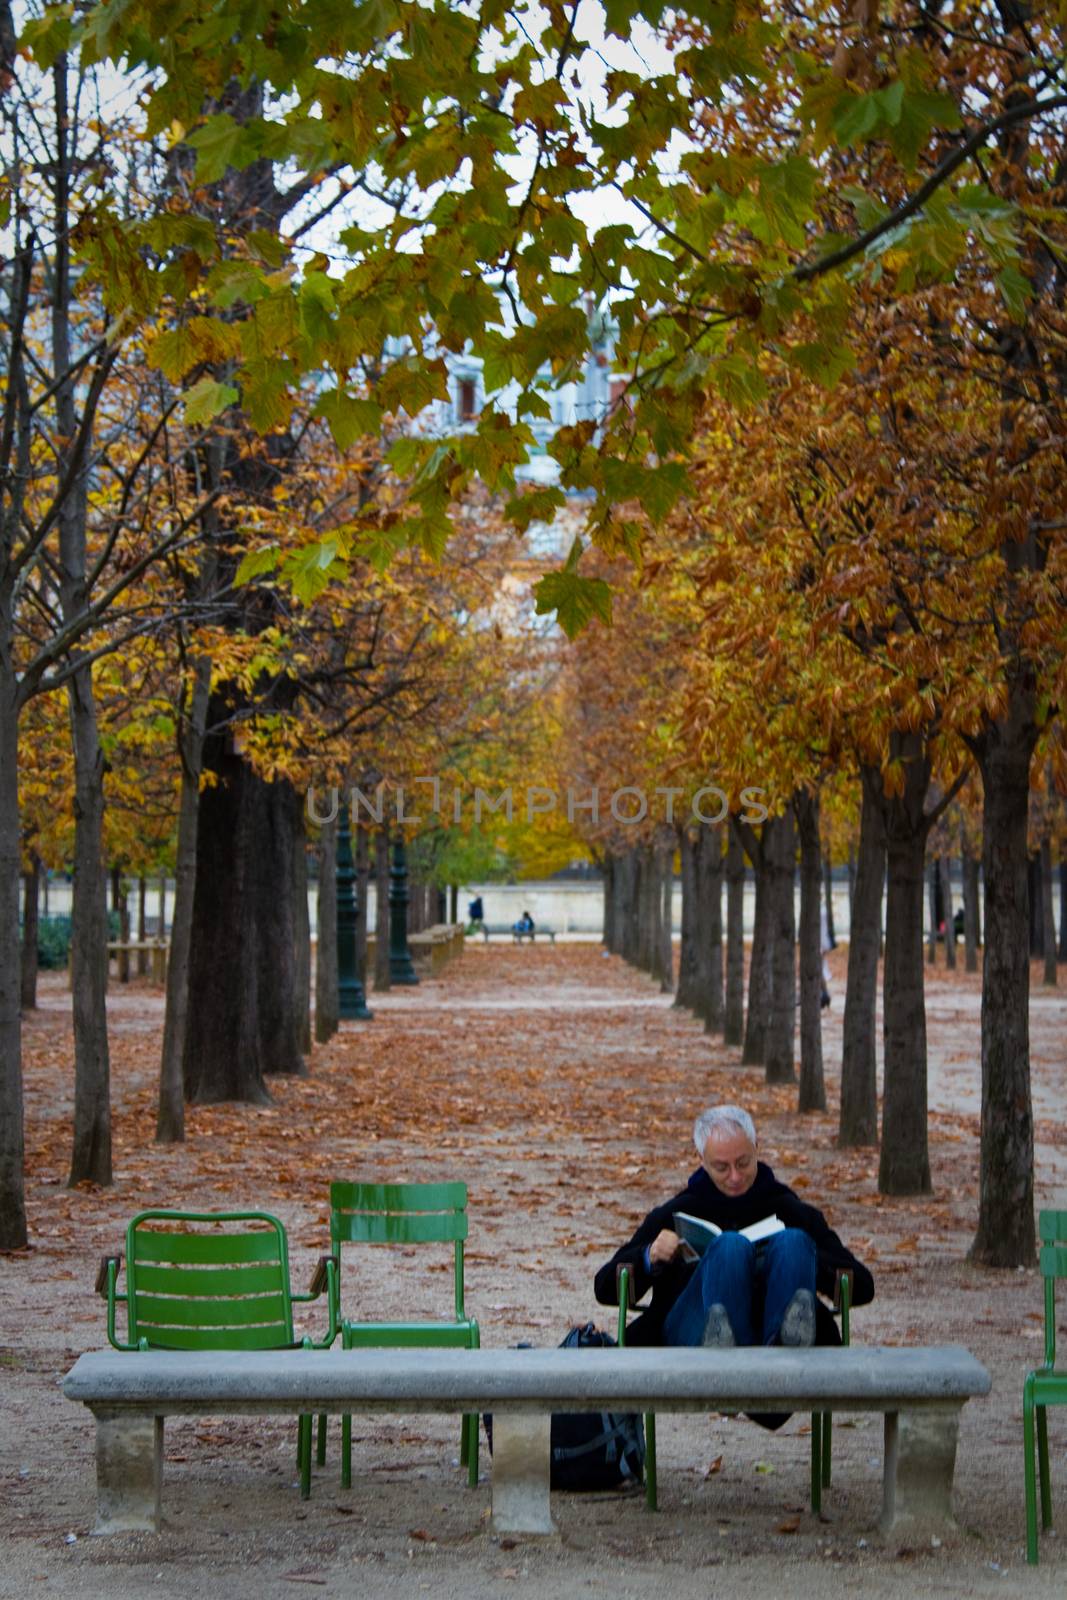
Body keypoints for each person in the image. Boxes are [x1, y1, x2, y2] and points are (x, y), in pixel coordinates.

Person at [594, 1104, 873, 1382]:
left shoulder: (791, 1210)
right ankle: (722, 1345)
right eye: (721, 1167)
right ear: (701, 1158)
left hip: (776, 1345)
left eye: (743, 1163)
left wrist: (803, 1263)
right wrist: (649, 1256)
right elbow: (605, 1287)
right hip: (692, 1335)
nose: (735, 1177)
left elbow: (861, 1285)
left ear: (756, 1148)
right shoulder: (676, 1213)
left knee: (793, 1241)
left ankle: (786, 1337)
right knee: (729, 1247)